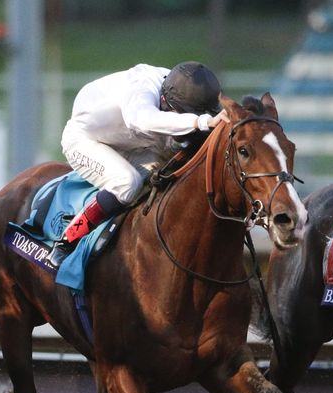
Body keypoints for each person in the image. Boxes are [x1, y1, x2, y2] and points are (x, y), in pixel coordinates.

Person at [47, 61, 229, 267]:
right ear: (165, 101)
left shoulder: (186, 88)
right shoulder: (141, 89)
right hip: (85, 141)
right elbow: (144, 120)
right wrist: (201, 122)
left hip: (134, 142)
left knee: (173, 169)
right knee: (127, 182)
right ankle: (67, 240)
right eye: (187, 113)